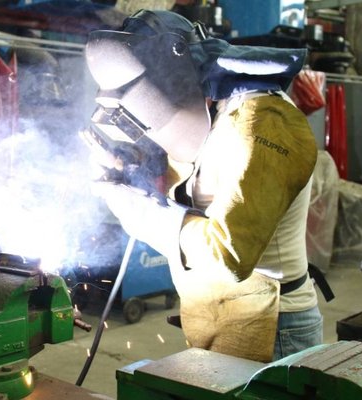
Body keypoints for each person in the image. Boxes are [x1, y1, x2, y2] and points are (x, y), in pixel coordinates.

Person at [83, 9, 321, 362]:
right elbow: (190, 193)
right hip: (222, 311)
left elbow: (229, 255)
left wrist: (138, 211)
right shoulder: (211, 111)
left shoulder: (264, 123)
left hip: (276, 325)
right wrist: (129, 170)